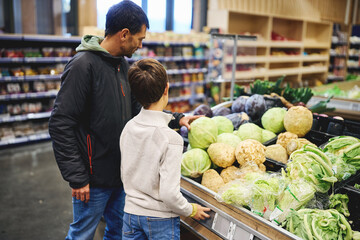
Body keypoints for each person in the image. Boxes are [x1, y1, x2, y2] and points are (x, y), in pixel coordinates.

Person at [48, 1, 200, 239]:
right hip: (92, 179)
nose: (141, 45)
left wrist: (177, 119)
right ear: (124, 34)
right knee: (82, 234)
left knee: (118, 232)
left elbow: (139, 108)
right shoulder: (82, 66)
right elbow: (60, 123)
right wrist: (77, 177)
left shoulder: (122, 65)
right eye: (139, 39)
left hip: (121, 176)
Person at [120, 58, 211, 240]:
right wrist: (190, 209)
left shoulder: (128, 128)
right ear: (166, 89)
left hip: (130, 215)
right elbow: (169, 194)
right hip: (160, 220)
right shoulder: (171, 139)